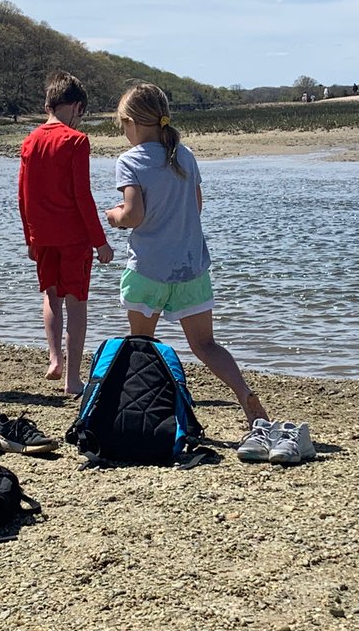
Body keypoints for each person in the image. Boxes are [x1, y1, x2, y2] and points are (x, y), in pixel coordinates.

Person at [105, 82, 268, 429]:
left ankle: (146, 412)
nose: (124, 134)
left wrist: (113, 216)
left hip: (149, 268)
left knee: (142, 346)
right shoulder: (185, 155)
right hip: (192, 267)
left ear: (133, 122)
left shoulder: (130, 161)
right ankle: (243, 392)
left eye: (122, 126)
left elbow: (133, 215)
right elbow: (196, 205)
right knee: (206, 344)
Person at [18, 70, 113, 395]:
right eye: (80, 113)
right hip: (73, 236)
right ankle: (72, 380)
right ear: (75, 106)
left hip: (42, 235)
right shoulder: (76, 141)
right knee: (76, 304)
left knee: (51, 296)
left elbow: (22, 193)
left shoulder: (30, 141)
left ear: (49, 104)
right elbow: (82, 195)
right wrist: (100, 241)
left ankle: (54, 358)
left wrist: (29, 236)